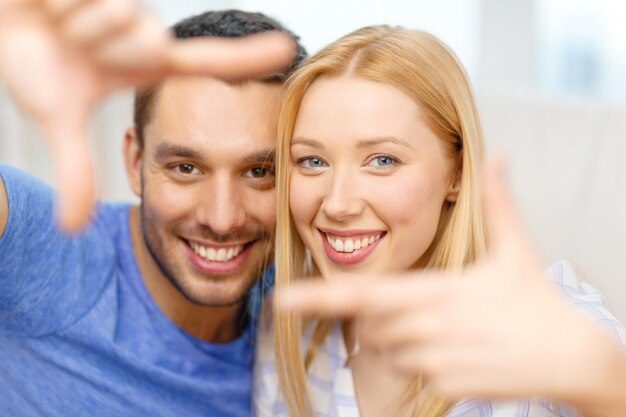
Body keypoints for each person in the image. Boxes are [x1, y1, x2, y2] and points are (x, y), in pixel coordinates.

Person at [254, 25, 626, 417]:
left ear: (457, 174)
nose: (337, 203)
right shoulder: (287, 340)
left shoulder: (544, 320)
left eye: (383, 160)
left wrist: (598, 376)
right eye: (313, 161)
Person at [0, 4, 306, 417]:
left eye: (259, 172)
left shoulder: (298, 313)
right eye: (185, 168)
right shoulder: (51, 251)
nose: (222, 218)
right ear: (134, 162)